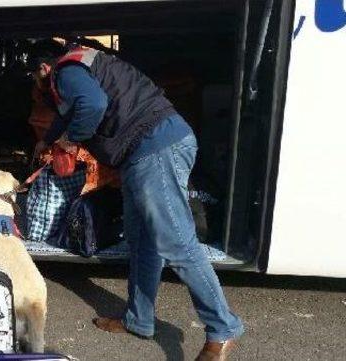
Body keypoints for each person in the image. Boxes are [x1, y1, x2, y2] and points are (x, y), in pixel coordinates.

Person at [27, 40, 244, 360]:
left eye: (35, 76)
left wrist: (70, 140)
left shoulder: (65, 71)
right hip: (142, 153)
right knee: (141, 239)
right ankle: (139, 320)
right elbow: (71, 112)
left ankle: (223, 328)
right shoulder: (81, 65)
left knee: (177, 245)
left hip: (155, 148)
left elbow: (92, 104)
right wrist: (48, 140)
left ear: (44, 68)